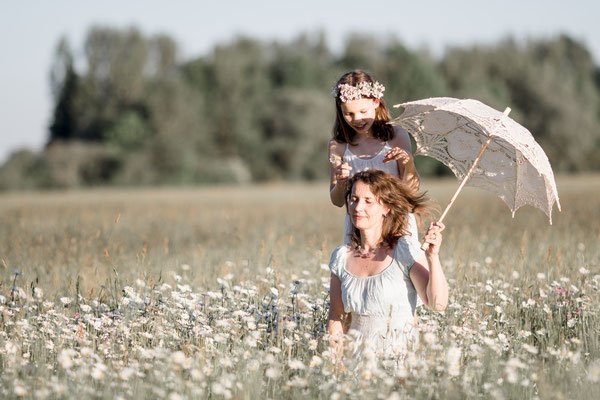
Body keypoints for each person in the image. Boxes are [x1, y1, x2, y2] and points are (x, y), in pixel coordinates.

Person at [326, 170, 448, 359]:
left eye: (368, 201)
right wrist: (336, 366)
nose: (358, 207)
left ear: (386, 208)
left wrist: (433, 257)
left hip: (399, 366)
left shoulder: (405, 250)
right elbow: (336, 319)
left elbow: (437, 304)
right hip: (356, 367)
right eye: (354, 199)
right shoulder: (341, 257)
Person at [328, 70, 420, 243]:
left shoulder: (396, 136)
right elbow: (337, 201)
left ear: (376, 102)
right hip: (359, 225)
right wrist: (341, 183)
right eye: (349, 114)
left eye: (363, 111)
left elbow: (412, 190)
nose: (357, 119)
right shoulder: (338, 146)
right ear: (340, 111)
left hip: (396, 222)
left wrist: (408, 164)